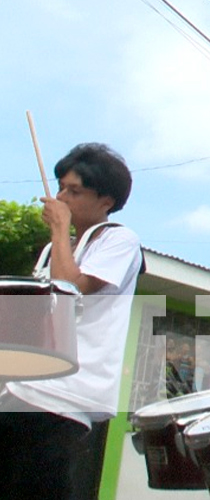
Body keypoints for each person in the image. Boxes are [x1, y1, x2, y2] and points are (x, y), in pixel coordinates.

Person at [0, 143, 142, 499]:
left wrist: (60, 230)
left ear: (106, 201)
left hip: (66, 395)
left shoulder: (119, 240)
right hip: (26, 389)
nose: (61, 197)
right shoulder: (53, 251)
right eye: (61, 187)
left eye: (74, 191)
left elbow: (71, 290)